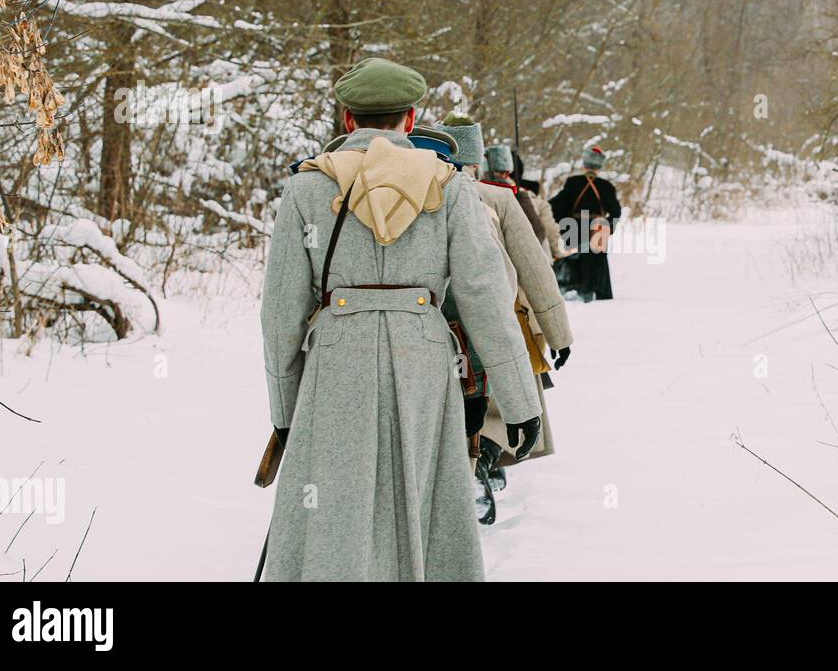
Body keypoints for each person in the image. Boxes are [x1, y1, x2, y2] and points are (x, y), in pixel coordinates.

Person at [259, 57, 542, 580]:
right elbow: (486, 300)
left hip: (336, 363)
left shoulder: (305, 189)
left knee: (335, 507)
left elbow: (280, 314)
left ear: (348, 120)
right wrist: (522, 403)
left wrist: (285, 411)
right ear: (411, 120)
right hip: (425, 363)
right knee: (423, 502)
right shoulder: (451, 186)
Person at [440, 127, 575, 521]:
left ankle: (471, 471)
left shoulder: (422, 192)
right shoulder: (500, 198)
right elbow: (535, 270)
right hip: (499, 323)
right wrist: (558, 334)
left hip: (435, 327)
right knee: (501, 407)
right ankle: (481, 465)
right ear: (477, 159)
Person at [550, 145, 622, 301]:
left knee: (575, 257)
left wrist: (561, 222)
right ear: (599, 167)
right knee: (597, 261)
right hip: (599, 227)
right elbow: (616, 211)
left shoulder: (572, 182)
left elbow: (558, 205)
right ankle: (597, 291)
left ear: (584, 164)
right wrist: (608, 226)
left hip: (574, 225)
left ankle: (576, 288)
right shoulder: (607, 187)